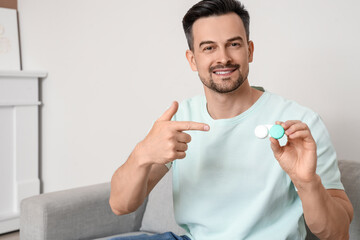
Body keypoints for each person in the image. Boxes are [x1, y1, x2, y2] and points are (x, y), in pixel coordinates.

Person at [109, 0, 354, 239]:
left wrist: (307, 182)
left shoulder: (299, 123)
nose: (223, 58)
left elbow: (337, 234)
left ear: (249, 50)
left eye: (233, 44)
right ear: (192, 59)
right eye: (208, 47)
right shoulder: (181, 119)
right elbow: (120, 205)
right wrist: (142, 154)